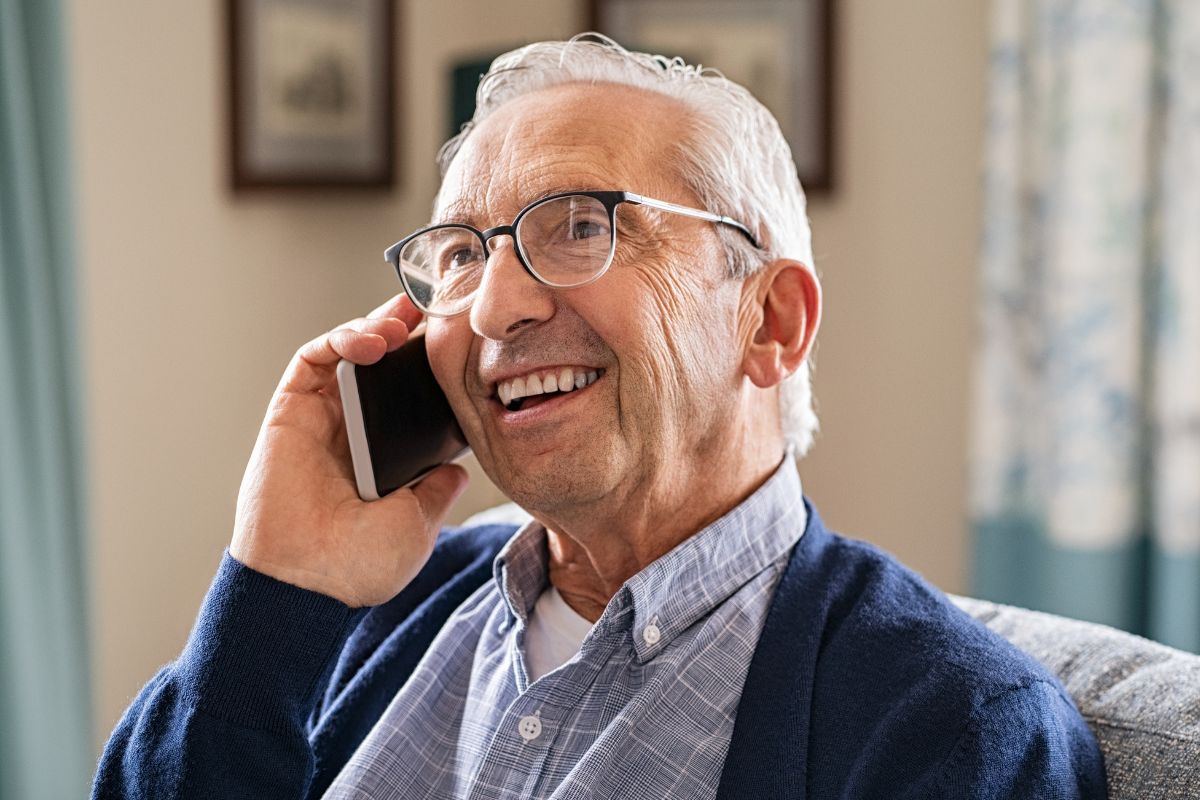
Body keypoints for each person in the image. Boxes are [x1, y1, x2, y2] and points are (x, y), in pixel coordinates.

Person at [92, 35, 1106, 799]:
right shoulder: (365, 612)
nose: (493, 306)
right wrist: (278, 587)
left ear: (772, 320)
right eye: (460, 254)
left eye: (578, 225)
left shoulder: (957, 731)